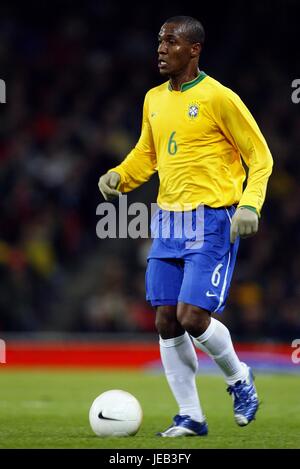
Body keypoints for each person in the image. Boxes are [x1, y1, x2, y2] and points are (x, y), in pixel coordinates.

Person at [98, 15, 273, 437]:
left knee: (193, 316)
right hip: (168, 221)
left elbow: (261, 156)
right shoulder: (153, 99)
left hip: (212, 220)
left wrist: (250, 205)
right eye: (159, 41)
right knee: (165, 321)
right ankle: (191, 416)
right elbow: (148, 153)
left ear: (193, 49)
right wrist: (121, 174)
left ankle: (239, 378)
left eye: (171, 41)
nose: (160, 48)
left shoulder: (219, 98)